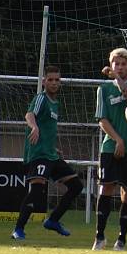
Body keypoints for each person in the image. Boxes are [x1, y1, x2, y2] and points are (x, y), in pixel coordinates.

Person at [12, 66, 83, 240]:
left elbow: (48, 129)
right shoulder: (41, 98)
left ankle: (53, 220)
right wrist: (34, 126)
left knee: (76, 186)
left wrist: (54, 147)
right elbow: (30, 114)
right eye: (50, 79)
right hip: (38, 154)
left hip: (50, 153)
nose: (53, 83)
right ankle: (18, 229)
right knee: (37, 190)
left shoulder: (55, 103)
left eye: (57, 80)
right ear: (44, 81)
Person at [92, 48, 127, 251]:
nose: (120, 67)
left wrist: (116, 78)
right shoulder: (103, 89)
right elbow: (102, 120)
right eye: (116, 64)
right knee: (105, 187)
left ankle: (121, 239)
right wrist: (118, 140)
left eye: (123, 64)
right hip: (110, 146)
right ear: (111, 65)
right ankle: (99, 236)